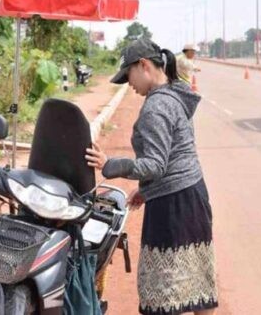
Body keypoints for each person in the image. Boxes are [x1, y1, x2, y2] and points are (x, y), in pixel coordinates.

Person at [85, 38, 218, 315]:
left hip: (174, 207)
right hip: (192, 195)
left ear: (143, 65)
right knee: (197, 282)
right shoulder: (174, 94)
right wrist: (147, 191)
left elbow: (155, 165)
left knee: (161, 291)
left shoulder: (156, 107)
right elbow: (173, 155)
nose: (129, 84)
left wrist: (111, 164)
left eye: (129, 75)